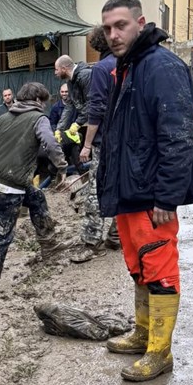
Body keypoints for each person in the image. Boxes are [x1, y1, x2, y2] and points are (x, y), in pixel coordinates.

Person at [97, 0, 193, 382]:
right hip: (130, 188)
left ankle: (160, 351)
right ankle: (143, 333)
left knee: (159, 267)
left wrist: (167, 195)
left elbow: (179, 136)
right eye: (108, 27)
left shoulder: (160, 66)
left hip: (150, 192)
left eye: (121, 25)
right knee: (138, 266)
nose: (113, 34)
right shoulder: (126, 67)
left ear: (140, 24)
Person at [0, 82, 69, 297]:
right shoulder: (39, 119)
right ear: (37, 100)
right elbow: (50, 142)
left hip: (1, 180)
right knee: (3, 234)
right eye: (44, 101)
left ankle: (48, 245)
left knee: (37, 198)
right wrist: (62, 167)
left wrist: (1, 140)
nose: (45, 106)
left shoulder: (4, 118)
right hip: (10, 186)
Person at [71, 27, 120, 262]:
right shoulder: (126, 64)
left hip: (105, 142)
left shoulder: (101, 69)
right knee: (121, 187)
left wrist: (87, 144)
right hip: (126, 141)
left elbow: (96, 110)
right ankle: (116, 235)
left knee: (95, 193)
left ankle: (92, 243)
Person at [54, 55, 92, 171]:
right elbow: (69, 106)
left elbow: (91, 102)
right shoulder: (70, 82)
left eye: (56, 69)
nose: (55, 72)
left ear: (64, 68)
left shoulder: (85, 75)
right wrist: (59, 129)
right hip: (91, 121)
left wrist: (78, 123)